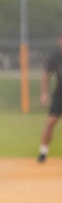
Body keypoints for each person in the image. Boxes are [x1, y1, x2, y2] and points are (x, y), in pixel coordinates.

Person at [37, 31, 62, 162]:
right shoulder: (55, 57)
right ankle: (43, 151)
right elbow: (46, 74)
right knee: (51, 121)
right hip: (60, 94)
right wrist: (44, 93)